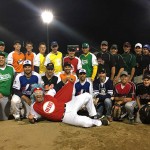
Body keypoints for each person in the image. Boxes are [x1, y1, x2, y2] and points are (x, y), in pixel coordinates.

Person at [28, 81, 109, 127]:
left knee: (87, 95)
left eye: (40, 92)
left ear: (43, 93)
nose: (38, 94)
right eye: (36, 93)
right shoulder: (34, 106)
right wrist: (31, 119)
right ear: (33, 95)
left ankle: (93, 115)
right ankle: (99, 122)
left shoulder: (48, 95)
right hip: (66, 117)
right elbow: (34, 119)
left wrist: (66, 79)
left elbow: (57, 87)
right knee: (86, 123)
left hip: (69, 105)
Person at [0, 52, 14, 120]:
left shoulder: (11, 68)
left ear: (5, 59)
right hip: (1, 96)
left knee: (5, 118)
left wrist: (12, 94)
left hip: (8, 96)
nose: (1, 59)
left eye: (2, 58)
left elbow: (14, 81)